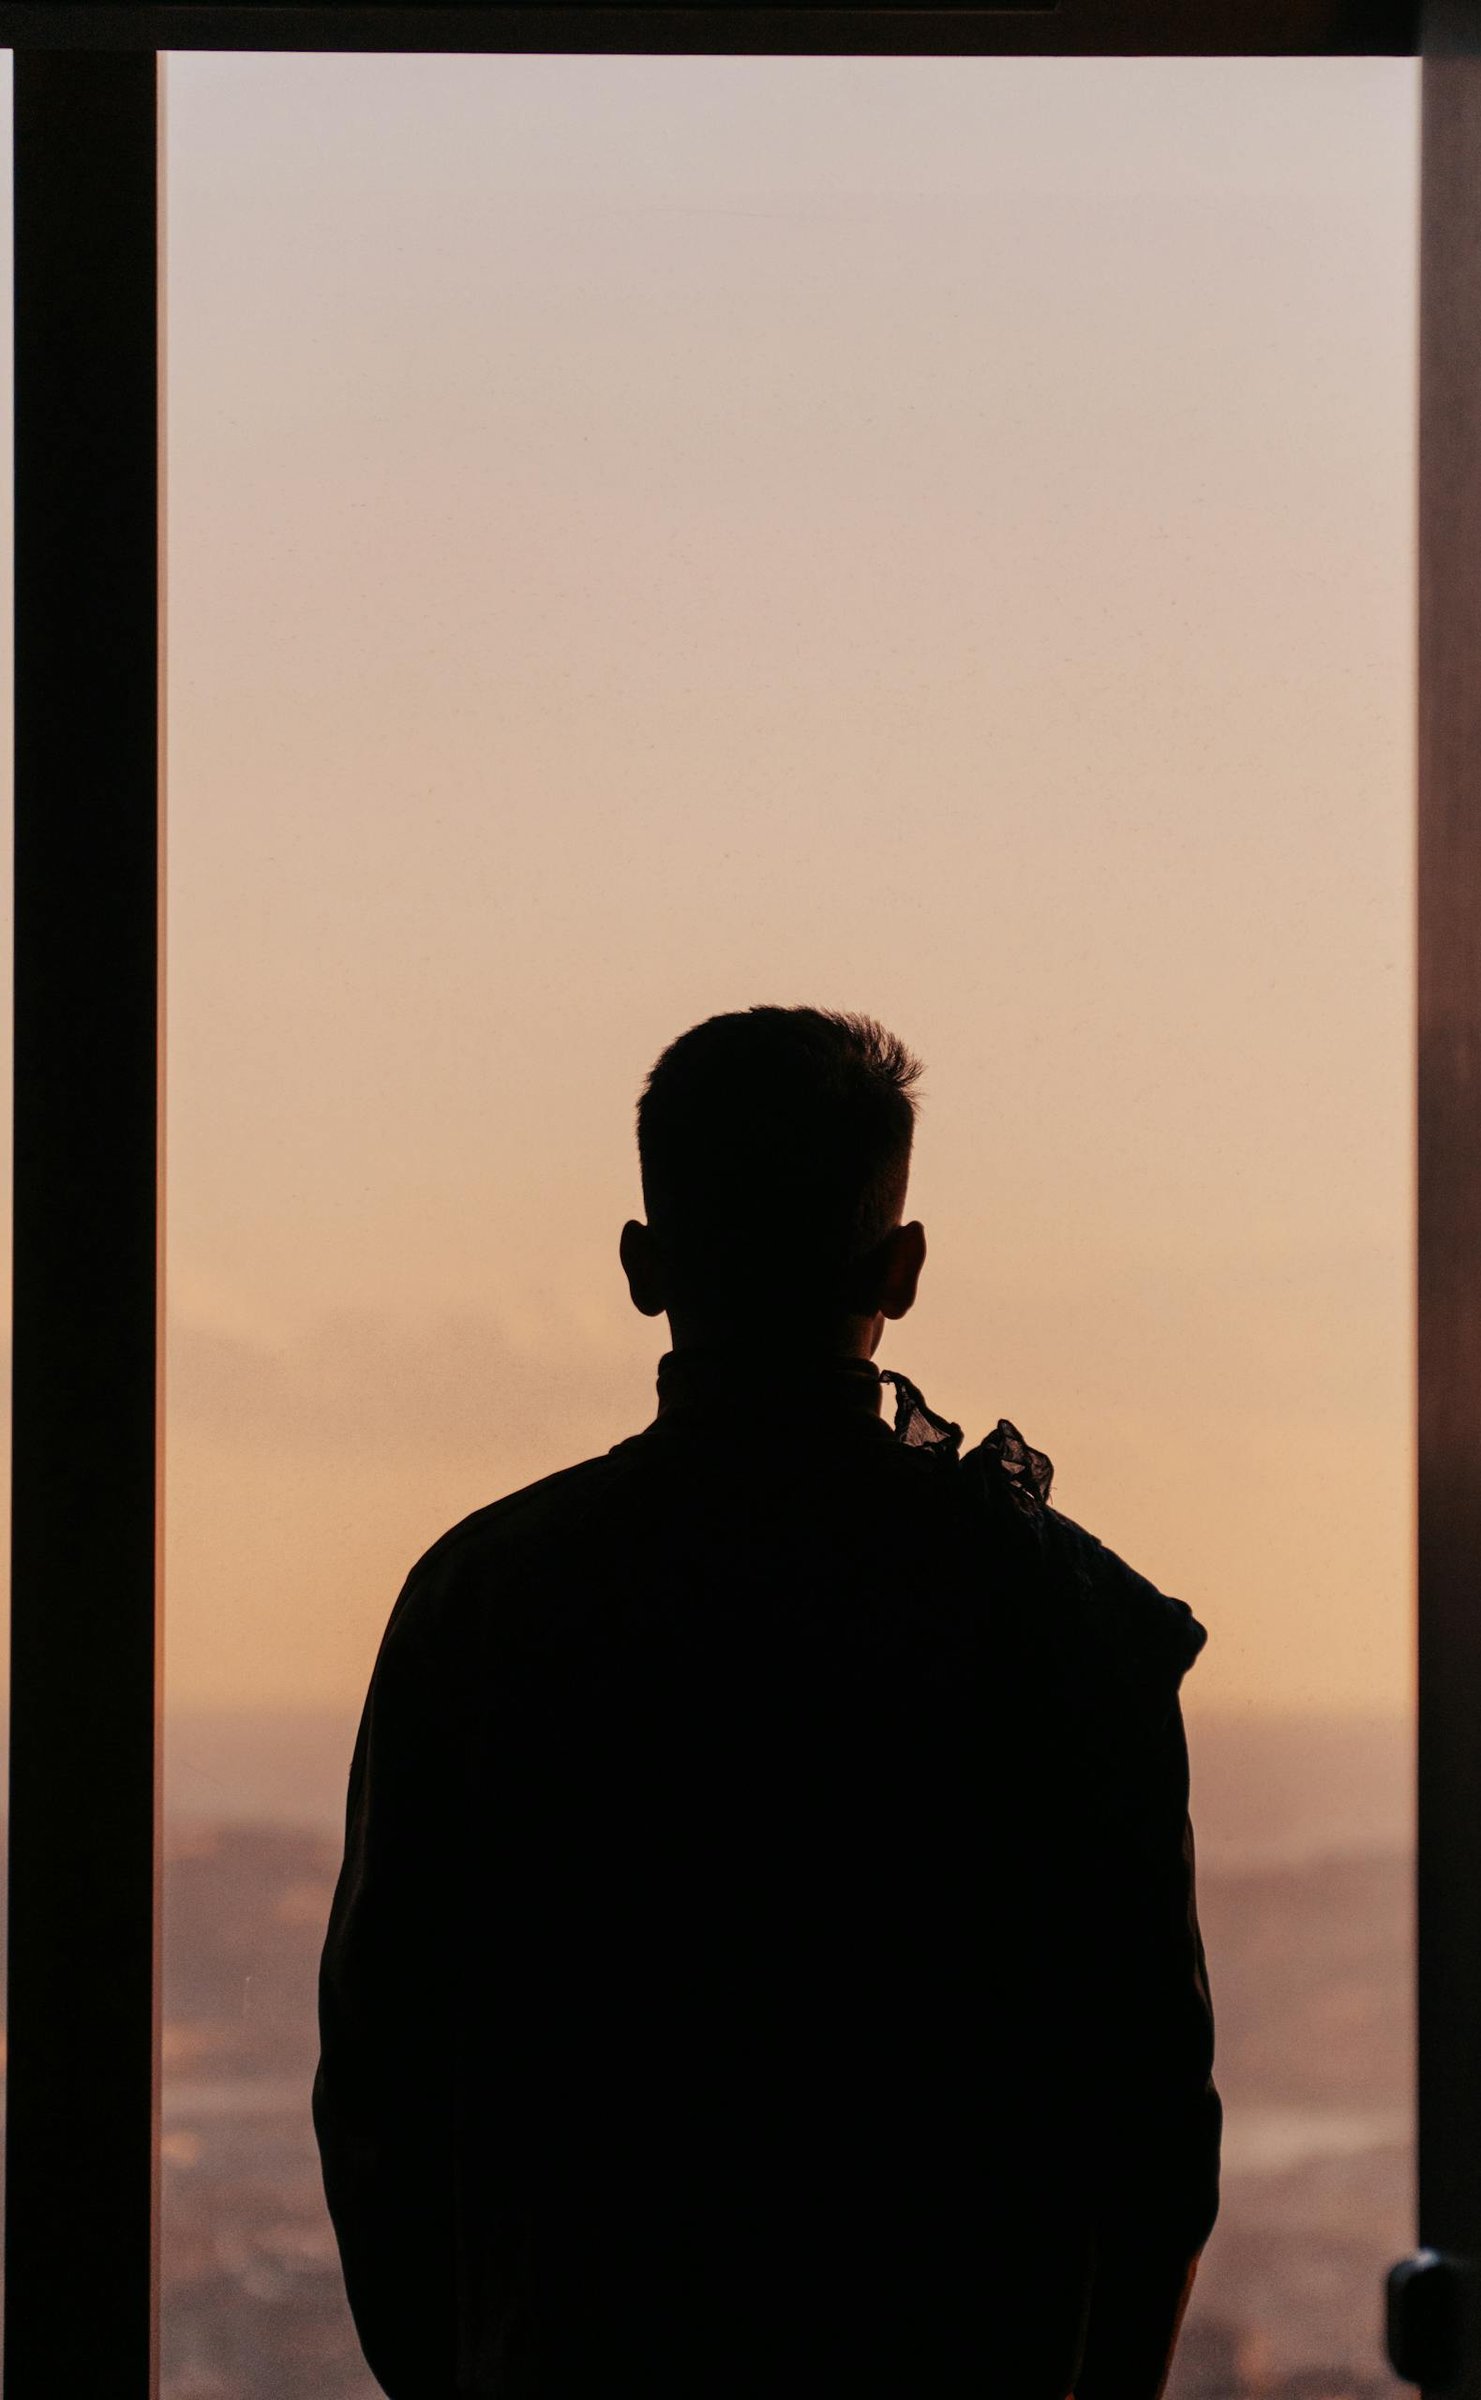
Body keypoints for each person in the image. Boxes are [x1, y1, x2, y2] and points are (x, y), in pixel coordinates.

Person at [314, 1005, 1222, 2400]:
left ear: (643, 1267)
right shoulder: (1065, 1616)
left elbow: (381, 2083)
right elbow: (1153, 2120)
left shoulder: (481, 1605)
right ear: (902, 1269)